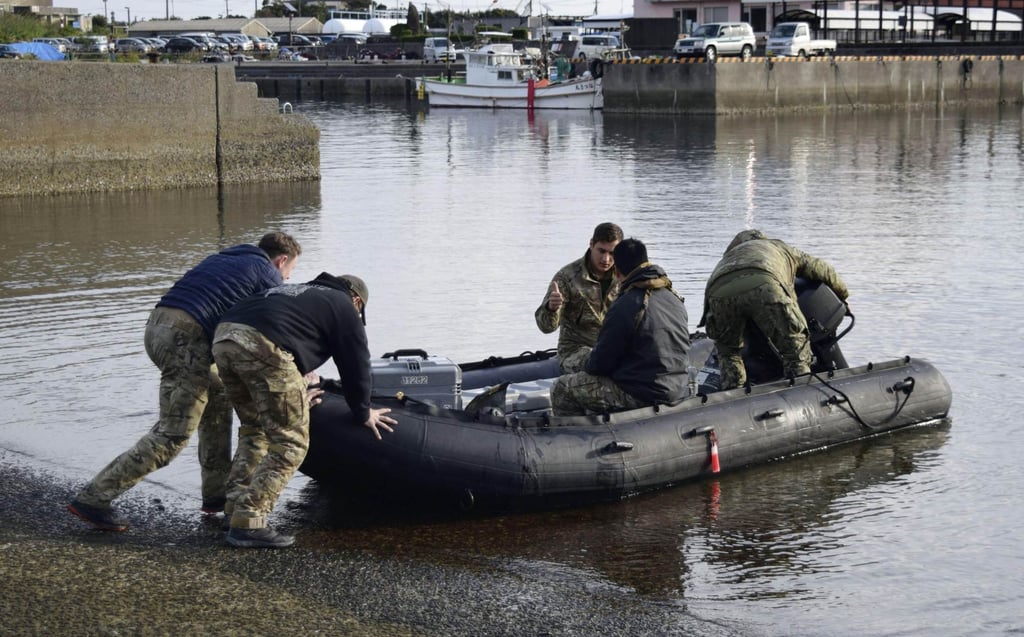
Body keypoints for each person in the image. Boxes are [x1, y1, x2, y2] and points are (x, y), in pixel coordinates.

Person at [67, 232, 302, 532]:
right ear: (282, 260)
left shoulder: (228, 258)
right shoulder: (268, 273)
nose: (286, 276)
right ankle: (95, 497)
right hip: (186, 338)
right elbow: (271, 324)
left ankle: (215, 495)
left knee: (217, 396)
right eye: (290, 271)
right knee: (173, 433)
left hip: (157, 326)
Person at [212, 272, 397, 548]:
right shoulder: (343, 304)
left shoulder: (298, 291)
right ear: (356, 300)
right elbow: (356, 364)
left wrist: (295, 390)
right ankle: (249, 522)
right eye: (360, 312)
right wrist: (362, 411)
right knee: (291, 441)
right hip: (263, 347)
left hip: (225, 339)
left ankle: (234, 509)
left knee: (255, 430)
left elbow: (283, 330)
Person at [550, 238, 691, 416]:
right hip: (677, 386)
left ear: (617, 270)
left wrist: (584, 362)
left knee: (562, 388)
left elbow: (599, 365)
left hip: (642, 392)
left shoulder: (626, 304)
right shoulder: (673, 297)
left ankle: (575, 438)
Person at [699, 229, 850, 390]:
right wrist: (843, 294)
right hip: (764, 283)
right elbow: (821, 269)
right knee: (794, 346)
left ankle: (733, 392)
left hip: (718, 292)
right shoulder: (778, 247)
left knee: (729, 352)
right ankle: (800, 387)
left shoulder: (730, 257)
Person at [535, 222, 624, 373]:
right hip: (575, 350)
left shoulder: (624, 275)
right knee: (601, 362)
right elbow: (546, 327)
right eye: (601, 251)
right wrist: (552, 308)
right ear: (591, 244)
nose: (606, 259)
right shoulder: (567, 277)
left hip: (613, 348)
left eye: (612, 253)